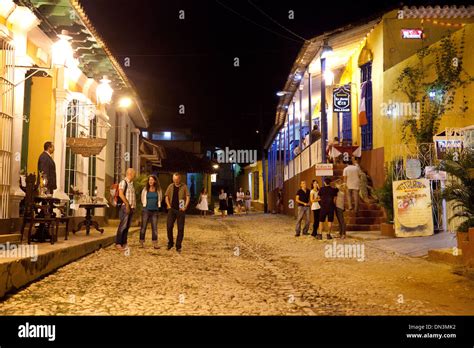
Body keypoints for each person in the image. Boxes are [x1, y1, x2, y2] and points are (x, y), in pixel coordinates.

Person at [165, 173, 190, 252]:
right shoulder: (170, 186)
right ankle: (170, 242)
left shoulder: (184, 186)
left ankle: (178, 246)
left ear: (180, 179)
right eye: (174, 179)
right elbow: (166, 196)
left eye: (177, 179)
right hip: (172, 209)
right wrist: (168, 206)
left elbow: (188, 196)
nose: (175, 180)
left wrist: (185, 206)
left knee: (180, 228)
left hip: (180, 210)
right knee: (169, 226)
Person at [115, 168, 136, 251]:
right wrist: (127, 204)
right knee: (123, 226)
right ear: (130, 173)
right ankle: (118, 243)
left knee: (127, 226)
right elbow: (120, 194)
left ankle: (124, 243)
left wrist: (133, 207)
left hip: (131, 207)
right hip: (125, 207)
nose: (135, 175)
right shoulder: (123, 182)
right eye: (134, 173)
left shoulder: (131, 184)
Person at [139, 175, 162, 249]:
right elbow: (142, 198)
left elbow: (160, 198)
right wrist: (145, 205)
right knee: (143, 226)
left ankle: (155, 243)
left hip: (155, 211)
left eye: (152, 180)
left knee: (154, 228)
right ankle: (141, 242)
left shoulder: (158, 190)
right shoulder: (145, 189)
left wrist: (158, 205)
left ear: (155, 181)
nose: (150, 181)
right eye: (149, 180)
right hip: (146, 210)